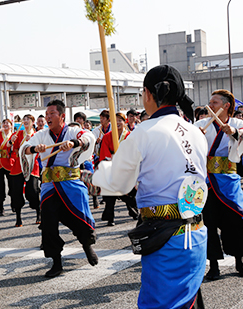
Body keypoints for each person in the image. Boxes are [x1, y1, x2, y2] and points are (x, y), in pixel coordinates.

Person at [92, 65, 207, 308]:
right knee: (187, 298)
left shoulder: (144, 131)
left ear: (147, 93)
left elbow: (118, 184)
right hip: (196, 231)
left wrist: (98, 173)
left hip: (165, 235)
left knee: (159, 303)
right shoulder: (195, 131)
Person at [22, 100, 98, 278]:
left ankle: (87, 245)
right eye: (46, 114)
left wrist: (74, 143)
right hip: (49, 186)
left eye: (52, 114)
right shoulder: (41, 135)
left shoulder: (72, 131)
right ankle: (56, 262)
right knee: (48, 225)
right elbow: (24, 148)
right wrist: (34, 148)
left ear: (62, 116)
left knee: (79, 219)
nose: (48, 117)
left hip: (71, 184)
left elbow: (88, 137)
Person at [194, 89, 243, 280]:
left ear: (226, 106)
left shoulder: (238, 123)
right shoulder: (200, 124)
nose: (210, 105)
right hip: (205, 181)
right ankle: (213, 265)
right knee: (208, 224)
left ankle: (240, 260)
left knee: (236, 221)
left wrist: (234, 133)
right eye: (210, 102)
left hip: (228, 180)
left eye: (214, 103)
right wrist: (195, 136)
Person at [98, 113, 138, 226]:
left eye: (120, 120)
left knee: (129, 193)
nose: (118, 123)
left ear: (124, 122)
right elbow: (104, 153)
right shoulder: (107, 137)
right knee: (110, 195)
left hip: (126, 168)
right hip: (112, 167)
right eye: (115, 121)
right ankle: (110, 218)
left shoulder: (130, 136)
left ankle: (134, 211)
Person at [9, 114, 41, 227]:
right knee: (16, 192)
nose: (26, 121)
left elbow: (40, 149)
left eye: (28, 119)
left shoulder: (37, 135)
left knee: (32, 191)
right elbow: (10, 147)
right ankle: (18, 217)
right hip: (18, 165)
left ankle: (38, 211)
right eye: (24, 119)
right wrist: (11, 142)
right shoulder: (17, 134)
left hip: (32, 165)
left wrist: (31, 141)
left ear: (33, 122)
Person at [0, 119, 14, 216]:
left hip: (10, 162)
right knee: (0, 186)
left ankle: (13, 203)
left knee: (12, 185)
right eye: (4, 123)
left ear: (11, 126)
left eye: (8, 123)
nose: (5, 124)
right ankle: (1, 207)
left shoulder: (14, 135)